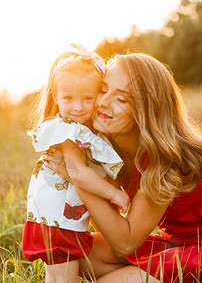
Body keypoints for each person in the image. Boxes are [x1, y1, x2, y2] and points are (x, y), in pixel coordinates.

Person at [44, 53, 202, 282]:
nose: (103, 102)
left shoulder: (168, 160)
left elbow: (125, 243)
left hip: (196, 250)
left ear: (147, 110)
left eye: (122, 99)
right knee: (71, 252)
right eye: (103, 89)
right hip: (175, 244)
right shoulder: (110, 143)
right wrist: (87, 172)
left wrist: (78, 174)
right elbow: (111, 225)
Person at [22, 44, 129, 283]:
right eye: (69, 98)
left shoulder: (85, 130)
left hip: (64, 219)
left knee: (62, 277)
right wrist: (115, 194)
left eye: (87, 98)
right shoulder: (66, 130)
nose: (78, 107)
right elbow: (76, 172)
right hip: (57, 219)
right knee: (63, 279)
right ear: (55, 97)